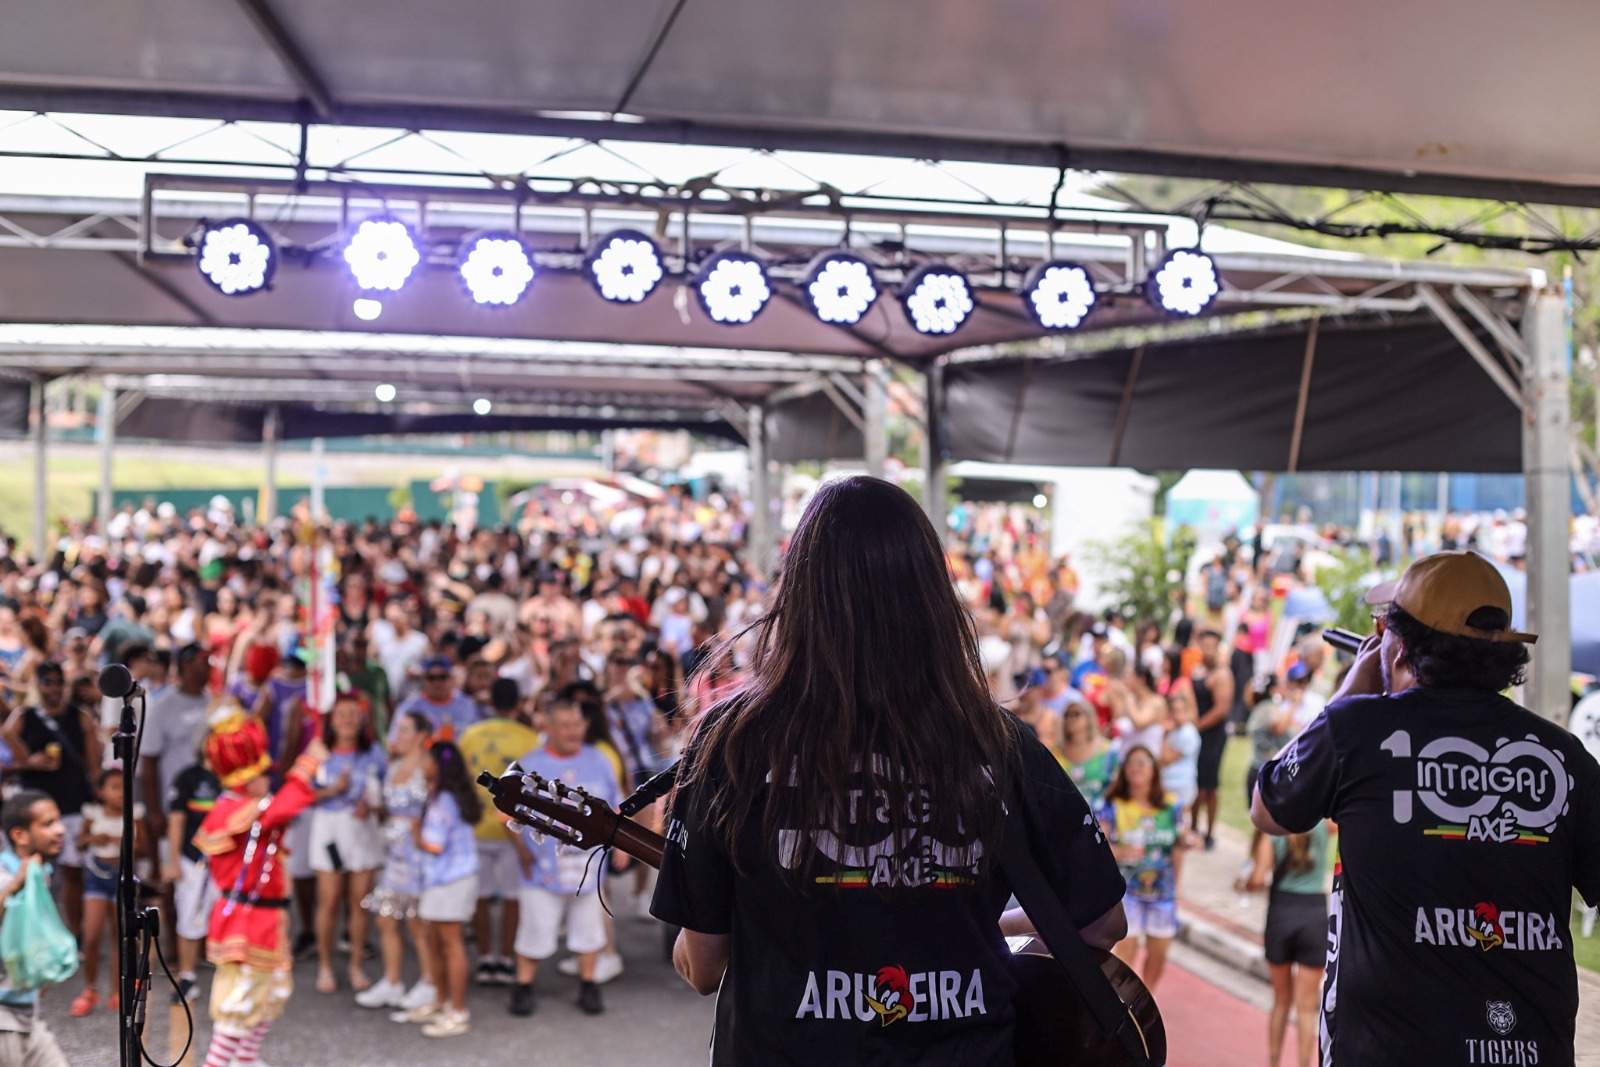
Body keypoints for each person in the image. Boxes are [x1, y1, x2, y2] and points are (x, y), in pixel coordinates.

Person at [652, 477, 1126, 1063]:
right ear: (931, 594)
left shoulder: (734, 743)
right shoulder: (1000, 744)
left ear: (799, 592)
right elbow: (1101, 925)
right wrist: (984, 930)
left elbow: (703, 966)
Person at [1253, 550, 1600, 1067]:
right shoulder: (1562, 754)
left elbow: (1269, 807)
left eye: (1381, 628)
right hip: (1529, 1048)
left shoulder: (1355, 729)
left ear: (1400, 645)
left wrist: (1350, 692)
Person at [193, 706, 328, 1067]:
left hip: (264, 919)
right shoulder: (237, 810)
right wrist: (307, 765)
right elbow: (281, 809)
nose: (268, 779)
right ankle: (216, 1064)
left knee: (272, 991)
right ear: (247, 778)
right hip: (247, 919)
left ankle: (245, 1059)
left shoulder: (247, 808)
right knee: (242, 998)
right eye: (264, 773)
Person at [506, 698, 624, 1018]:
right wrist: (521, 852)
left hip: (587, 865)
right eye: (566, 726)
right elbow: (509, 815)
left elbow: (615, 808)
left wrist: (622, 848)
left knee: (589, 930)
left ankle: (589, 984)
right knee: (535, 929)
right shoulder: (530, 765)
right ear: (548, 727)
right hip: (541, 866)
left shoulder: (599, 760)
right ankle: (523, 985)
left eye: (578, 724)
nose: (574, 731)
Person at [1, 661, 100, 942]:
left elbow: (92, 764)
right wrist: (27, 762)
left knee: (72, 873)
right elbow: (7, 747)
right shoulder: (24, 716)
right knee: (28, 871)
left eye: (59, 682)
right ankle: (27, 931)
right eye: (48, 681)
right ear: (38, 684)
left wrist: (96, 797)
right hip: (35, 809)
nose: (54, 688)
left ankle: (73, 933)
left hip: (71, 805)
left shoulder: (79, 716)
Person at [354, 711, 438, 1014]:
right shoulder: (392, 767)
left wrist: (425, 834)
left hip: (418, 855)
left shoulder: (429, 768)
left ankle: (430, 983)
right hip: (393, 853)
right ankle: (392, 981)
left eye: (404, 730)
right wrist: (372, 808)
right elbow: (387, 811)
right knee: (386, 917)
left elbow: (441, 809)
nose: (397, 736)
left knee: (417, 922)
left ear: (420, 734)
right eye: (396, 730)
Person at [458, 677, 538, 987]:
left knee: (479, 897)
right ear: (519, 704)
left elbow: (461, 779)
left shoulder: (470, 735)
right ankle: (506, 960)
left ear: (489, 702)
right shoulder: (530, 739)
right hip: (512, 830)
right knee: (511, 898)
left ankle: (484, 959)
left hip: (476, 826)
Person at [400, 740, 480, 1039]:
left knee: (450, 944)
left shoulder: (444, 800)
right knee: (436, 941)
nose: (422, 766)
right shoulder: (444, 795)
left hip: (450, 881)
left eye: (427, 761)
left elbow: (434, 845)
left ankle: (457, 1011)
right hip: (443, 880)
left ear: (438, 766)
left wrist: (415, 833)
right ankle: (440, 1000)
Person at [308, 693, 386, 994]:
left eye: (353, 714)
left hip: (362, 829)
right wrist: (331, 791)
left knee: (359, 902)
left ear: (362, 718)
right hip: (329, 829)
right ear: (331, 720)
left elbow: (388, 795)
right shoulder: (318, 752)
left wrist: (374, 807)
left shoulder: (373, 753)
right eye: (341, 714)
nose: (347, 720)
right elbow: (302, 793)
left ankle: (355, 966)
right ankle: (325, 966)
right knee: (328, 900)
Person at [1096, 745, 1185, 992]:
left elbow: (1179, 844)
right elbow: (1099, 846)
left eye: (1142, 762)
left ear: (1154, 769)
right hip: (1127, 891)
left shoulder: (1172, 805)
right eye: (1131, 763)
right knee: (1126, 952)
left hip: (1162, 890)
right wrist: (1121, 852)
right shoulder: (1112, 805)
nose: (1136, 768)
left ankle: (1148, 1000)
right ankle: (1124, 1006)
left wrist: (1179, 883)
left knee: (1159, 955)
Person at [1245, 822, 1332, 1067]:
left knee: (1281, 1000)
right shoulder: (1322, 826)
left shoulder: (1271, 833)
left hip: (1281, 916)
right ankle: (1305, 1063)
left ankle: (1274, 1062)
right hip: (1314, 916)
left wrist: (1245, 884)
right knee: (1307, 1007)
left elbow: (1258, 878)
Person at [0, 790, 70, 1067]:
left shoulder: (39, 872)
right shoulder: (6, 872)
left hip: (27, 1017)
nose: (61, 830)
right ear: (20, 835)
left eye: (59, 821)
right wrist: (14, 886)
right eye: (48, 824)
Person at [71, 768, 142, 1017]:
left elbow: (143, 846)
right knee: (91, 935)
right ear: (100, 791)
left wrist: (127, 845)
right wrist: (92, 839)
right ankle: (90, 988)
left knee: (119, 936)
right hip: (97, 877)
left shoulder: (134, 815)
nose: (120, 792)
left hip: (122, 879)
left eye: (124, 786)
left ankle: (117, 991)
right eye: (113, 787)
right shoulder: (93, 814)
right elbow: (78, 843)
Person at [164, 743, 220, 1006]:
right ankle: (187, 976)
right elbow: (176, 820)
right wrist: (172, 861)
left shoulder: (237, 778)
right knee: (188, 916)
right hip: (192, 860)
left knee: (225, 918)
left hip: (226, 863)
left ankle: (226, 973)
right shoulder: (188, 777)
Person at [1189, 629, 1235, 849]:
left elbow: (1221, 709)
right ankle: (1193, 826)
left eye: (1211, 645)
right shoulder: (1197, 669)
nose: (1207, 649)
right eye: (1203, 644)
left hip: (1212, 735)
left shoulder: (1222, 674)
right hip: (1196, 733)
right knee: (1196, 782)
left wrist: (1196, 726)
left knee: (1209, 784)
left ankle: (1209, 831)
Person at [391, 656, 481, 745]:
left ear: (451, 678)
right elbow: (394, 742)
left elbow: (479, 737)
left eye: (443, 677)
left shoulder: (467, 704)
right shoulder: (409, 708)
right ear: (423, 679)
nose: (437, 683)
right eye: (431, 678)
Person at [1060, 698, 1117, 803]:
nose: (1070, 718)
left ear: (1089, 717)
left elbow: (1117, 782)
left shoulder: (1107, 750)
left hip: (1100, 814)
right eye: (1067, 715)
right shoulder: (1055, 752)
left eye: (1076, 714)